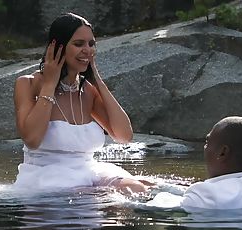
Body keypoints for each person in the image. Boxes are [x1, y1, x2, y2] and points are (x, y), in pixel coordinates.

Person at [13, 12, 149, 193]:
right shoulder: (28, 84)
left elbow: (124, 136)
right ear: (57, 47)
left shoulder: (88, 91)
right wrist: (49, 84)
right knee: (95, 196)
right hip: (46, 177)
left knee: (135, 189)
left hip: (88, 171)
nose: (88, 50)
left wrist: (97, 79)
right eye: (79, 44)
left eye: (91, 44)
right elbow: (32, 140)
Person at [145, 116, 242, 210]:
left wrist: (130, 192)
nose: (205, 147)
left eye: (207, 142)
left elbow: (155, 207)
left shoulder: (204, 195)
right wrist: (163, 186)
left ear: (222, 153)